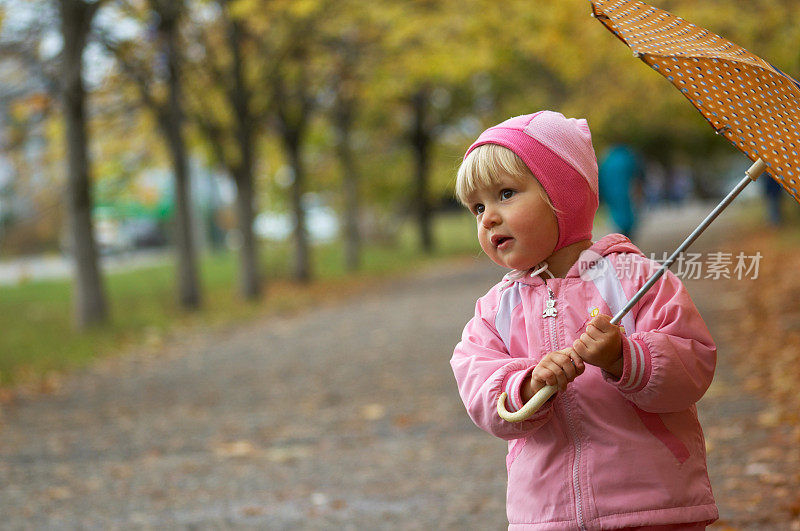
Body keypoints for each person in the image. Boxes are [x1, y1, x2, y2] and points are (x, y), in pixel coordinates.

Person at [450, 111, 717, 530]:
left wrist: (623, 358)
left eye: (505, 194)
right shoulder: (495, 310)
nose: (487, 218)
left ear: (565, 194)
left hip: (651, 504)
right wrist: (529, 384)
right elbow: (478, 385)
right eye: (477, 207)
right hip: (549, 512)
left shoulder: (635, 280)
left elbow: (693, 363)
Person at [598, 144, 645, 239]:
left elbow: (600, 182)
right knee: (629, 222)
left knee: (617, 222)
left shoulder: (606, 160)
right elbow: (639, 177)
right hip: (629, 196)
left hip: (611, 197)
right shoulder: (629, 157)